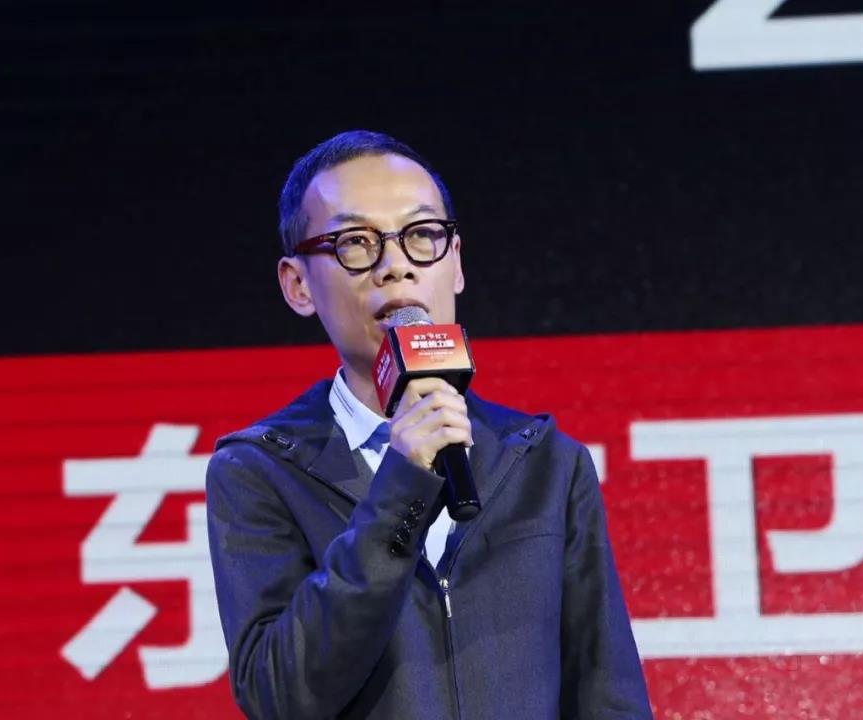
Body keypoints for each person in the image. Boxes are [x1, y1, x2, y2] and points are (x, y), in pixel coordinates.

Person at [205, 130, 652, 719]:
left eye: (421, 235)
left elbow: (608, 695)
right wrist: (401, 486)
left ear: (456, 262)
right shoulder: (259, 470)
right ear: (298, 284)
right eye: (355, 242)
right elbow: (280, 694)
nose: (396, 267)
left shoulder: (546, 464)